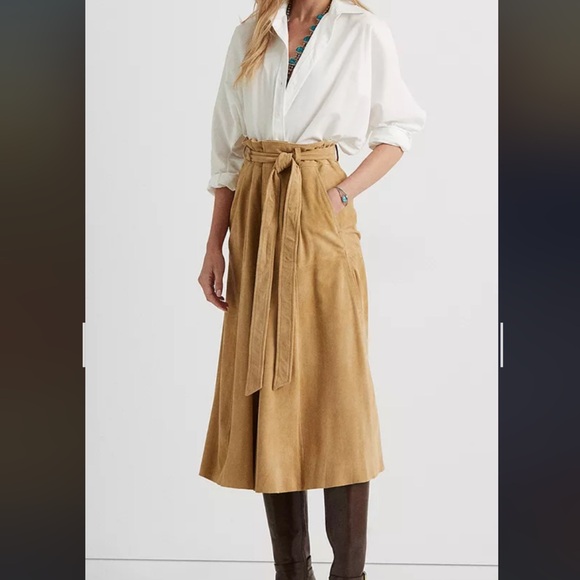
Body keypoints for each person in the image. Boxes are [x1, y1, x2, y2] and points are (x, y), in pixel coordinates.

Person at [197, 1, 426, 578]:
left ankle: (349, 573)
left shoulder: (362, 31)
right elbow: (227, 149)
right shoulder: (252, 33)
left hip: (320, 207)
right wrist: (214, 244)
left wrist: (339, 194)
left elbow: (398, 130)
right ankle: (291, 571)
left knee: (337, 392)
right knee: (270, 392)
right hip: (255, 214)